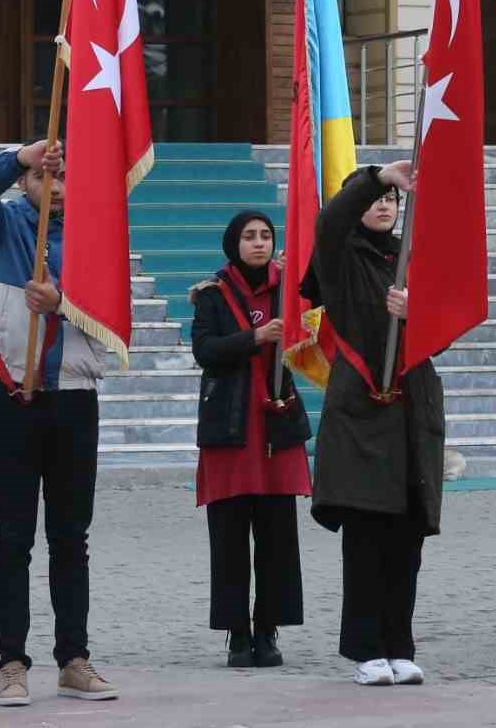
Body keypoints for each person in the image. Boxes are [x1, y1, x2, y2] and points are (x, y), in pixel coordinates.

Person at [0, 140, 118, 706]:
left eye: (63, 179)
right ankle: (10, 662)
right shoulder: (0, 228)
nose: (53, 187)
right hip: (12, 399)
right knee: (12, 538)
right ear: (25, 183)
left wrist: (62, 303)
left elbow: (111, 320)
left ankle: (74, 658)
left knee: (70, 537)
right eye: (41, 177)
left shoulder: (96, 239)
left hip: (74, 399)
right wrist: (20, 153)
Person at [300, 162, 445, 687]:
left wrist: (419, 313)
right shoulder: (340, 254)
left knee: (407, 537)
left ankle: (399, 645)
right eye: (375, 199)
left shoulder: (411, 257)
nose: (384, 206)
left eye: (391, 200)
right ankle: (366, 650)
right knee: (367, 536)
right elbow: (328, 222)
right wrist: (377, 175)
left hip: (412, 409)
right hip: (363, 411)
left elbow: (443, 333)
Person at [190, 210, 312, 668]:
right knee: (229, 536)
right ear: (233, 243)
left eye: (265, 236)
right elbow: (205, 351)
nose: (258, 243)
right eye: (249, 236)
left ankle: (268, 629)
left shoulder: (290, 289)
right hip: (231, 426)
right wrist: (255, 336)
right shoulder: (212, 294)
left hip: (277, 425)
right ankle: (236, 633)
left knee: (278, 537)